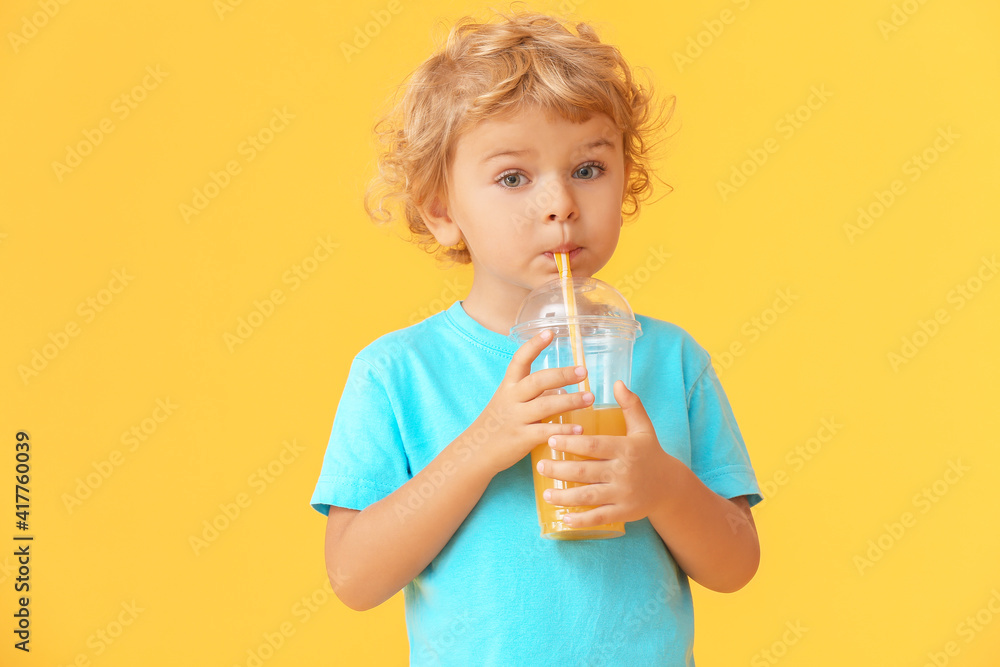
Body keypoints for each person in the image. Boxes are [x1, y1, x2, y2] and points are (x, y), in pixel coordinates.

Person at [310, 8, 762, 665]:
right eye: (513, 177)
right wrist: (485, 442)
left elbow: (737, 562)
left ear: (625, 179)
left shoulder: (672, 360)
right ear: (442, 212)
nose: (559, 203)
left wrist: (661, 486)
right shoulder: (398, 373)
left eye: (588, 168)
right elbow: (354, 576)